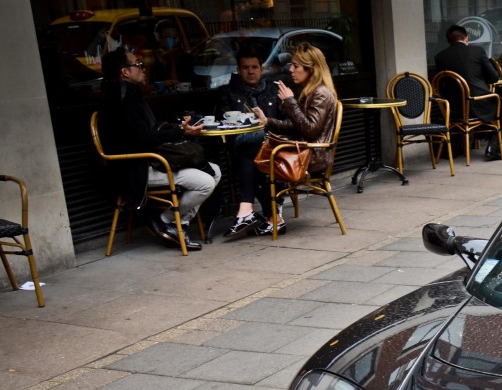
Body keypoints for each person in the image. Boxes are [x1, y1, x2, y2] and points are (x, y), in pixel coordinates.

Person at [99, 46, 220, 251]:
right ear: (125, 72)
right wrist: (181, 132)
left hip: (148, 160)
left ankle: (176, 225)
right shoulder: (123, 100)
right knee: (206, 182)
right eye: (137, 64)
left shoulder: (130, 94)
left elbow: (148, 132)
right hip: (135, 169)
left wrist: (179, 128)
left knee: (214, 170)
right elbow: (146, 139)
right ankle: (163, 221)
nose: (143, 68)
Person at [251, 42, 338, 236]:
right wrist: (267, 121)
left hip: (312, 158)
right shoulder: (311, 91)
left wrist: (289, 101)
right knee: (256, 155)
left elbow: (309, 131)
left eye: (296, 66)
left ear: (311, 69)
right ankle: (270, 216)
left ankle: (273, 218)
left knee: (257, 162)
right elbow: (298, 126)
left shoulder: (320, 94)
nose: (291, 70)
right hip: (306, 151)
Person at [217, 44, 282, 239]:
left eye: (254, 67)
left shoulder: (274, 90)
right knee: (249, 150)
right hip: (239, 144)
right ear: (239, 70)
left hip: (272, 146)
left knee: (250, 155)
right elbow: (222, 122)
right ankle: (273, 216)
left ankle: (248, 211)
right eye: (245, 67)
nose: (250, 71)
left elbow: (287, 121)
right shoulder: (228, 92)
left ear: (261, 69)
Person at [434, 24, 502, 160]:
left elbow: (442, 83)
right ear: (467, 38)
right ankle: (493, 148)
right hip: (478, 102)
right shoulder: (477, 51)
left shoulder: (440, 57)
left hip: (453, 108)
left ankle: (493, 143)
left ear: (449, 41)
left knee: (496, 110)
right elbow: (493, 77)